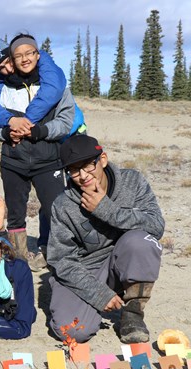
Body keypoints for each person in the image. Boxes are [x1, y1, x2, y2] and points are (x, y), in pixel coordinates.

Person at [46, 135, 164, 344]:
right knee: (72, 331)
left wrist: (108, 211)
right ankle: (91, 299)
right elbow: (61, 260)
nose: (82, 176)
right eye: (73, 170)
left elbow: (156, 226)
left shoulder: (132, 182)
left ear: (102, 160)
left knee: (141, 242)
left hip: (126, 259)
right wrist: (98, 294)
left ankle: (133, 314)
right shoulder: (63, 205)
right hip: (86, 269)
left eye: (88, 165)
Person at [0, 34, 86, 271]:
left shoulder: (56, 86)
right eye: (14, 59)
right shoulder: (3, 87)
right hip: (13, 160)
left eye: (25, 55)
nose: (12, 66)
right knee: (16, 213)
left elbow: (65, 121)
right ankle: (18, 258)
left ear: (36, 56)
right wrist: (8, 133)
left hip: (49, 159)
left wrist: (38, 131)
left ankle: (50, 252)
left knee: (54, 209)